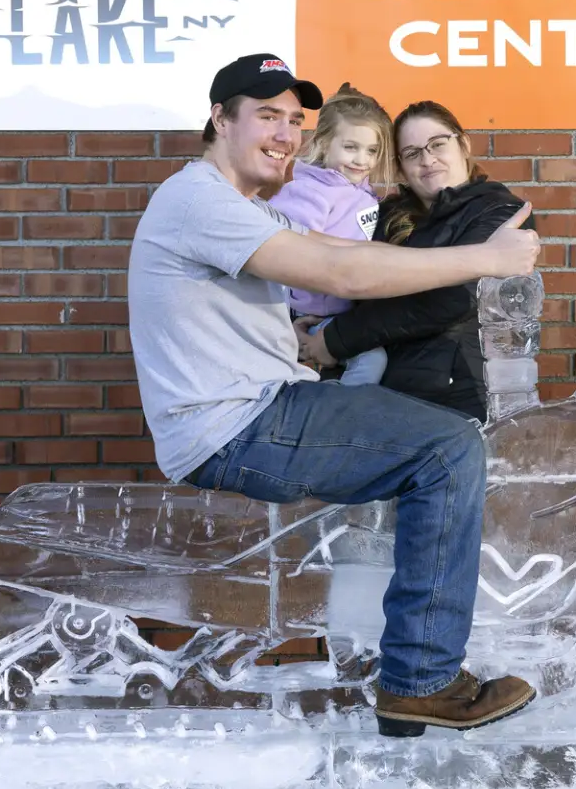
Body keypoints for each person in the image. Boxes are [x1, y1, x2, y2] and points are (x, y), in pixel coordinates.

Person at [128, 52, 538, 736]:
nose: (285, 134)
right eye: (266, 117)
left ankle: (410, 710)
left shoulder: (246, 209)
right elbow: (342, 269)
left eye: (295, 120)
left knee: (433, 445)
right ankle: (424, 680)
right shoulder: (198, 198)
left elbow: (348, 259)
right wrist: (487, 260)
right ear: (219, 120)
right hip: (238, 421)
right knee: (447, 449)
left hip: (260, 407)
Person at [297, 101, 535, 422]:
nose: (427, 159)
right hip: (364, 394)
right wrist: (308, 319)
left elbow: (447, 299)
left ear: (463, 145)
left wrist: (336, 338)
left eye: (438, 144)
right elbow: (341, 269)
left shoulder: (500, 213)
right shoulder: (384, 214)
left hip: (445, 402)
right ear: (400, 167)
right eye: (412, 153)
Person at [266, 82, 394, 387]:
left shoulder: (362, 192)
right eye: (350, 147)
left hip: (344, 311)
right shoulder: (310, 191)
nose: (362, 160)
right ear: (324, 143)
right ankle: (343, 402)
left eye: (372, 151)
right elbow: (290, 249)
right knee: (372, 358)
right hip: (312, 312)